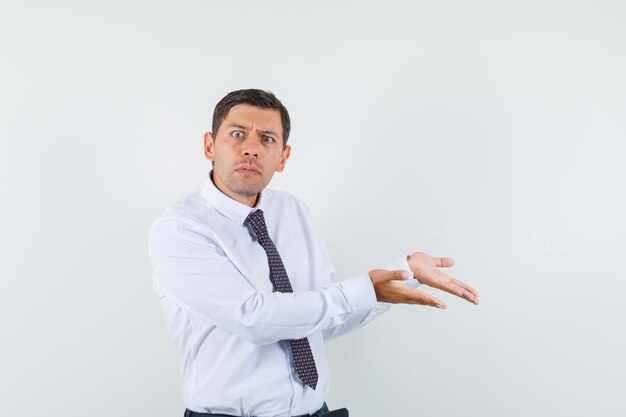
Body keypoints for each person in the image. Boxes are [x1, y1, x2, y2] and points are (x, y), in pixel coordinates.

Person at [148, 89, 479, 417]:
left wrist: (405, 274)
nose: (250, 149)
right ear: (210, 145)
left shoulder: (293, 211)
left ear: (283, 157)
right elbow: (252, 318)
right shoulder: (180, 228)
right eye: (237, 134)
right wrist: (365, 289)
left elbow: (321, 318)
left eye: (266, 139)